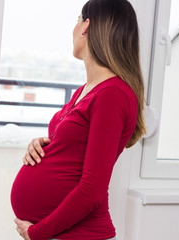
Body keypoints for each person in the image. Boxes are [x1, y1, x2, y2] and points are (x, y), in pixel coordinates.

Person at [11, 0, 146, 239]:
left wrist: (37, 232)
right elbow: (72, 149)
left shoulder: (112, 94)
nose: (73, 29)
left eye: (77, 20)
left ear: (86, 26)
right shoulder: (86, 90)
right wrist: (42, 145)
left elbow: (92, 189)